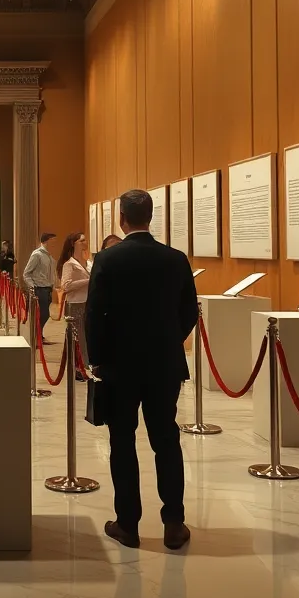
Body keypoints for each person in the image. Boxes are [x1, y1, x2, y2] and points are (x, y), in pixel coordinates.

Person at [85, 189, 198, 552]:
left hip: (120, 366)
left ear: (122, 218)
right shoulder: (175, 259)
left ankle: (128, 524)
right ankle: (174, 523)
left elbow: (94, 314)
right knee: (166, 439)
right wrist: (168, 341)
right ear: (151, 217)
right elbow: (188, 311)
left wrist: (98, 359)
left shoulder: (108, 258)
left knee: (122, 441)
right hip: (164, 365)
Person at [56, 232, 91, 381]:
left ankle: (84, 366)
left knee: (85, 338)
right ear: (74, 243)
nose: (85, 242)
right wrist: (88, 280)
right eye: (81, 240)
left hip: (86, 303)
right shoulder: (69, 264)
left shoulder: (87, 262)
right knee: (78, 338)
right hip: (75, 304)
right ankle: (78, 368)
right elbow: (66, 285)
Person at [23, 232, 58, 344]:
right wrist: (33, 288)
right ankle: (35, 338)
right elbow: (26, 273)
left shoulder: (50, 256)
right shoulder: (37, 254)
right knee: (42, 315)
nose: (55, 244)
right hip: (39, 289)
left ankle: (39, 336)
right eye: (53, 241)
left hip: (47, 289)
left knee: (44, 315)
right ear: (46, 241)